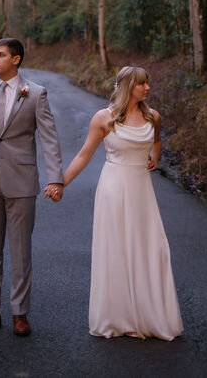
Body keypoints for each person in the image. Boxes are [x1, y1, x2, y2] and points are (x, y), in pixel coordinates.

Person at [47, 65, 183, 340]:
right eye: (141, 84)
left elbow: (156, 142)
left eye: (148, 83)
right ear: (127, 87)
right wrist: (60, 182)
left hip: (142, 191)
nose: (147, 88)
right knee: (117, 250)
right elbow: (84, 155)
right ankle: (119, 318)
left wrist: (155, 158)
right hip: (113, 189)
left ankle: (150, 316)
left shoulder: (153, 116)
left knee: (150, 248)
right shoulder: (103, 119)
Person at [0, 38, 64, 337]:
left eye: (1, 55)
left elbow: (48, 137)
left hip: (21, 182)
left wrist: (55, 178)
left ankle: (20, 313)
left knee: (20, 252)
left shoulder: (34, 93)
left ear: (16, 59)